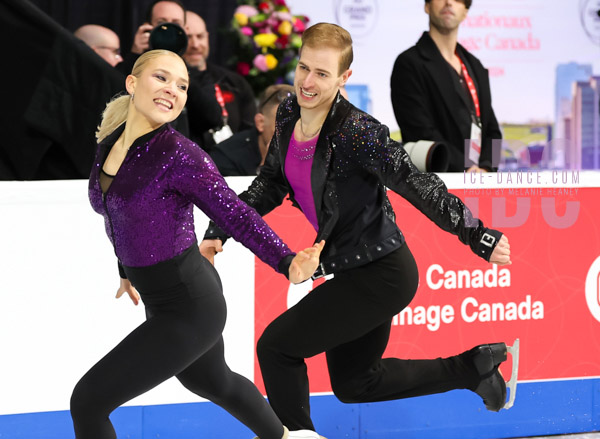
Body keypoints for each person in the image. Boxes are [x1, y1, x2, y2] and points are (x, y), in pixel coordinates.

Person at [201, 23, 516, 438]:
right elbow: (272, 181)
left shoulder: (358, 131)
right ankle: (471, 369)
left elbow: (415, 182)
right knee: (355, 383)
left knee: (276, 348)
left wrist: (477, 233)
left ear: (344, 78)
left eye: (323, 74)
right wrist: (219, 228)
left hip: (383, 273)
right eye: (303, 68)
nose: (308, 82)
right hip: (355, 269)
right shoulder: (290, 113)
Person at [70, 49, 325, 439]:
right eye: (162, 78)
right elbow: (114, 211)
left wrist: (286, 260)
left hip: (190, 303)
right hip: (164, 299)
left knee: (88, 400)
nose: (172, 89)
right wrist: (125, 268)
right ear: (132, 83)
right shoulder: (110, 142)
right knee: (213, 382)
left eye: (182, 85)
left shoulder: (180, 155)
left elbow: (235, 214)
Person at [390, 0, 502, 172]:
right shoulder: (409, 63)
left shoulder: (476, 66)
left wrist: (487, 169)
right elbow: (420, 132)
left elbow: (493, 131)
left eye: (457, 0)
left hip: (479, 184)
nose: (449, 2)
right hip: (436, 184)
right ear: (427, 6)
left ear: (465, 11)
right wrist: (466, 168)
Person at [183, 10, 257, 151]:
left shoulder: (235, 82)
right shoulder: (168, 86)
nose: (195, 44)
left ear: (208, 37)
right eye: (188, 38)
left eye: (200, 36)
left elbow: (251, 134)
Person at [210, 84, 294, 176]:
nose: (292, 134)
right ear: (260, 123)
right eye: (284, 126)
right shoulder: (225, 158)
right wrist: (268, 167)